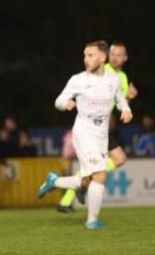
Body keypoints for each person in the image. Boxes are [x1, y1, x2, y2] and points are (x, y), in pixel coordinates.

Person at [38, 40, 132, 229]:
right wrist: (65, 104)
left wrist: (126, 109)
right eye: (84, 55)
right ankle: (92, 221)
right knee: (100, 175)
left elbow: (120, 98)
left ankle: (54, 181)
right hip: (83, 132)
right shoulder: (78, 79)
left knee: (87, 180)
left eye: (90, 55)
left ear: (102, 57)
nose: (86, 59)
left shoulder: (113, 79)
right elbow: (59, 100)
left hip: (101, 134)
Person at [56, 41, 138, 212]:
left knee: (114, 161)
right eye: (113, 54)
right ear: (107, 56)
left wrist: (128, 100)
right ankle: (75, 192)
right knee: (114, 161)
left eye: (119, 55)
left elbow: (117, 102)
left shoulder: (121, 77)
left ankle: (67, 199)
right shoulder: (100, 70)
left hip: (103, 128)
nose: (115, 58)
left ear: (125, 58)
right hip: (91, 128)